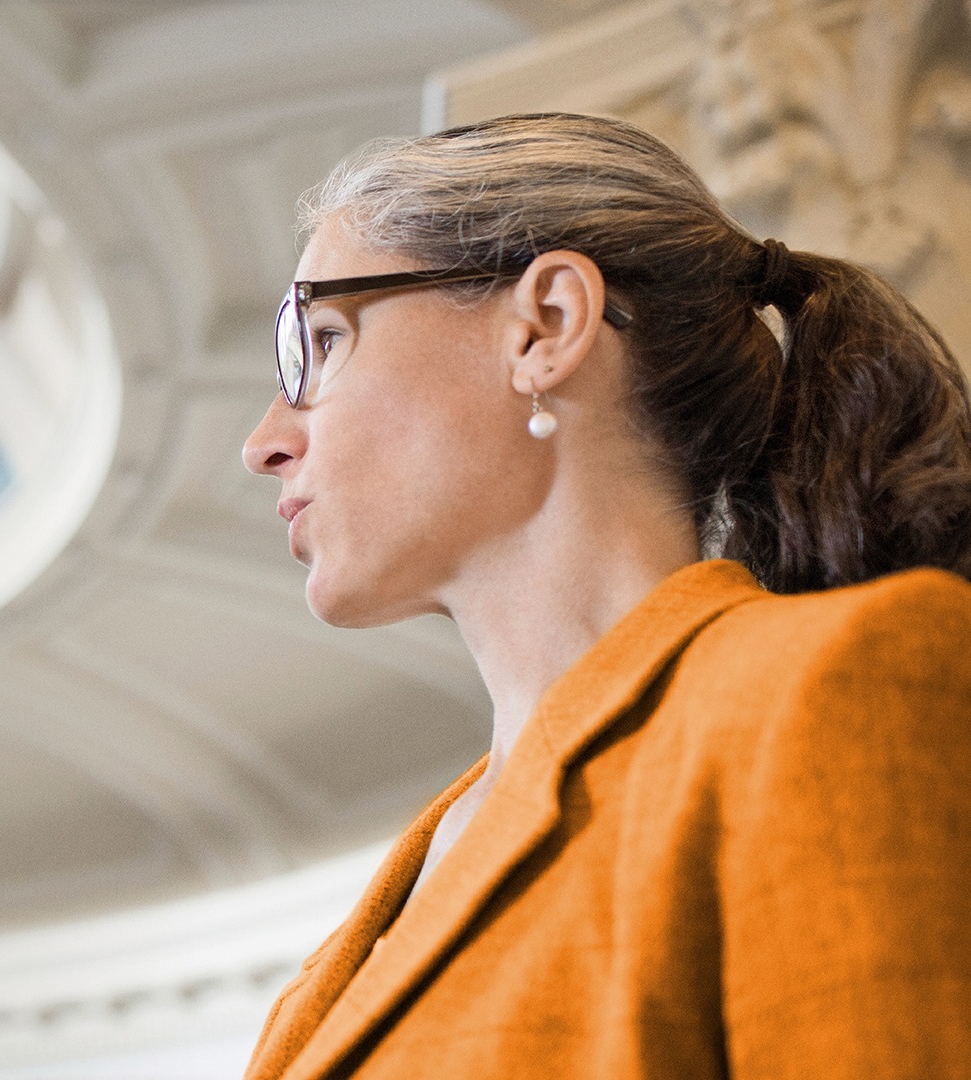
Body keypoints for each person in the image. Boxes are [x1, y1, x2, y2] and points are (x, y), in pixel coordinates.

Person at [238, 112, 971, 1080]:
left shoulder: (830, 691)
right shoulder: (340, 958)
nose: (264, 442)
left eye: (322, 343)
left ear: (546, 325)